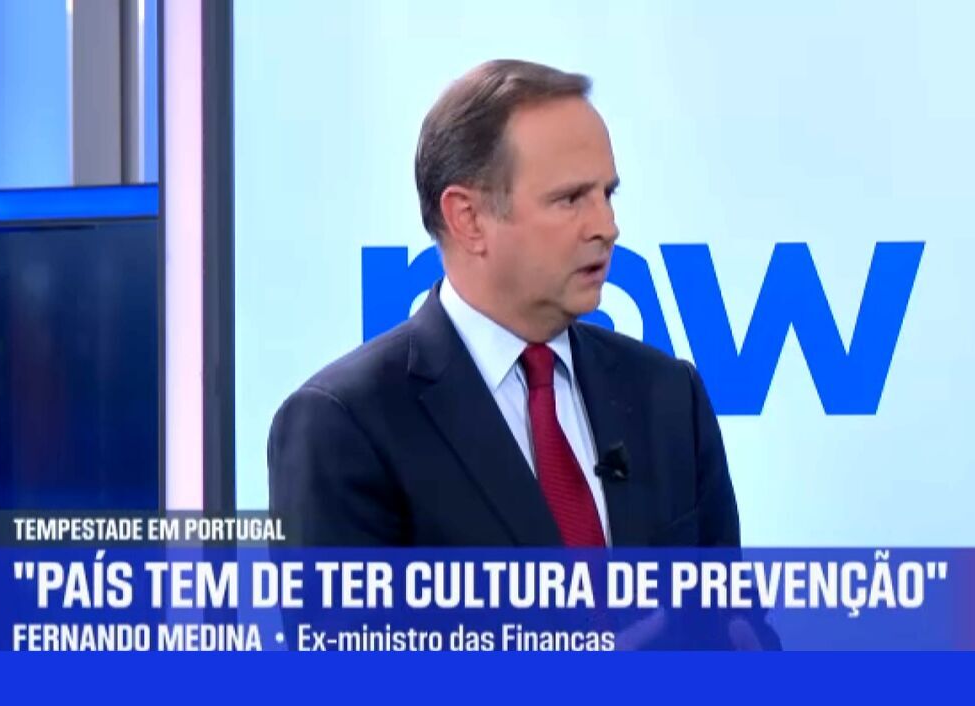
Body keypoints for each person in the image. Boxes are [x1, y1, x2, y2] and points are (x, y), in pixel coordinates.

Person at [268, 60, 742, 549]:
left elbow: (727, 596)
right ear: (468, 219)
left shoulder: (669, 397)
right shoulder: (345, 425)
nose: (607, 226)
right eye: (571, 199)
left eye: (607, 194)